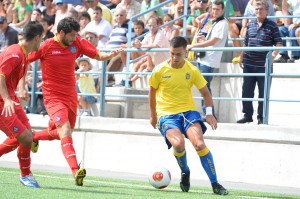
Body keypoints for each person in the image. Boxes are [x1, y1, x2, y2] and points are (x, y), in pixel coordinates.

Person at [25, 17, 121, 186]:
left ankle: (34, 136)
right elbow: (24, 58)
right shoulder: (46, 46)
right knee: (65, 130)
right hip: (53, 97)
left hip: (71, 96)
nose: (74, 38)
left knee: (61, 133)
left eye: (76, 34)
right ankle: (76, 171)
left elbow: (97, 54)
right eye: (71, 35)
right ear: (61, 33)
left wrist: (110, 54)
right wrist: (18, 82)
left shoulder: (76, 41)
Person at [148, 36, 228, 195]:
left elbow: (206, 93)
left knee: (199, 144)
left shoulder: (192, 70)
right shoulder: (159, 70)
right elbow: (151, 94)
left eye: (178, 54)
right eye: (172, 53)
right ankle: (185, 171)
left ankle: (215, 184)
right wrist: (153, 116)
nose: (174, 57)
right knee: (178, 144)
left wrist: (209, 114)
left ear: (186, 52)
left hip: (188, 113)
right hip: (167, 115)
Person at [0, 21, 44, 188]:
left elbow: (18, 73)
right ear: (37, 37)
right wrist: (7, 99)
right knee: (25, 138)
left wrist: (21, 88)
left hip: (9, 98)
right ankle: (25, 175)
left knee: (27, 136)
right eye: (42, 38)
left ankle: (26, 175)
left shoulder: (23, 54)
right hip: (3, 102)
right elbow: (0, 77)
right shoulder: (15, 54)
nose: (42, 42)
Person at [236, 0, 283, 125]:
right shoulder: (250, 24)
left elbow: (278, 43)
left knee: (263, 93)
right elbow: (246, 42)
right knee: (246, 91)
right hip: (249, 64)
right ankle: (247, 115)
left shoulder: (272, 26)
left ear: (267, 11)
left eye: (261, 9)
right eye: (257, 9)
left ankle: (261, 118)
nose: (259, 11)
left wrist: (271, 58)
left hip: (264, 66)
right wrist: (241, 56)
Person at [187, 0, 229, 117]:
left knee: (204, 89)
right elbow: (210, 41)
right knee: (204, 89)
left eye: (217, 9)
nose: (214, 12)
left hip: (209, 61)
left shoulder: (222, 23)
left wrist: (193, 45)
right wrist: (202, 40)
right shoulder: (215, 22)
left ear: (223, 10)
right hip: (204, 58)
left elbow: (213, 42)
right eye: (213, 9)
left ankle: (209, 114)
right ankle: (208, 114)